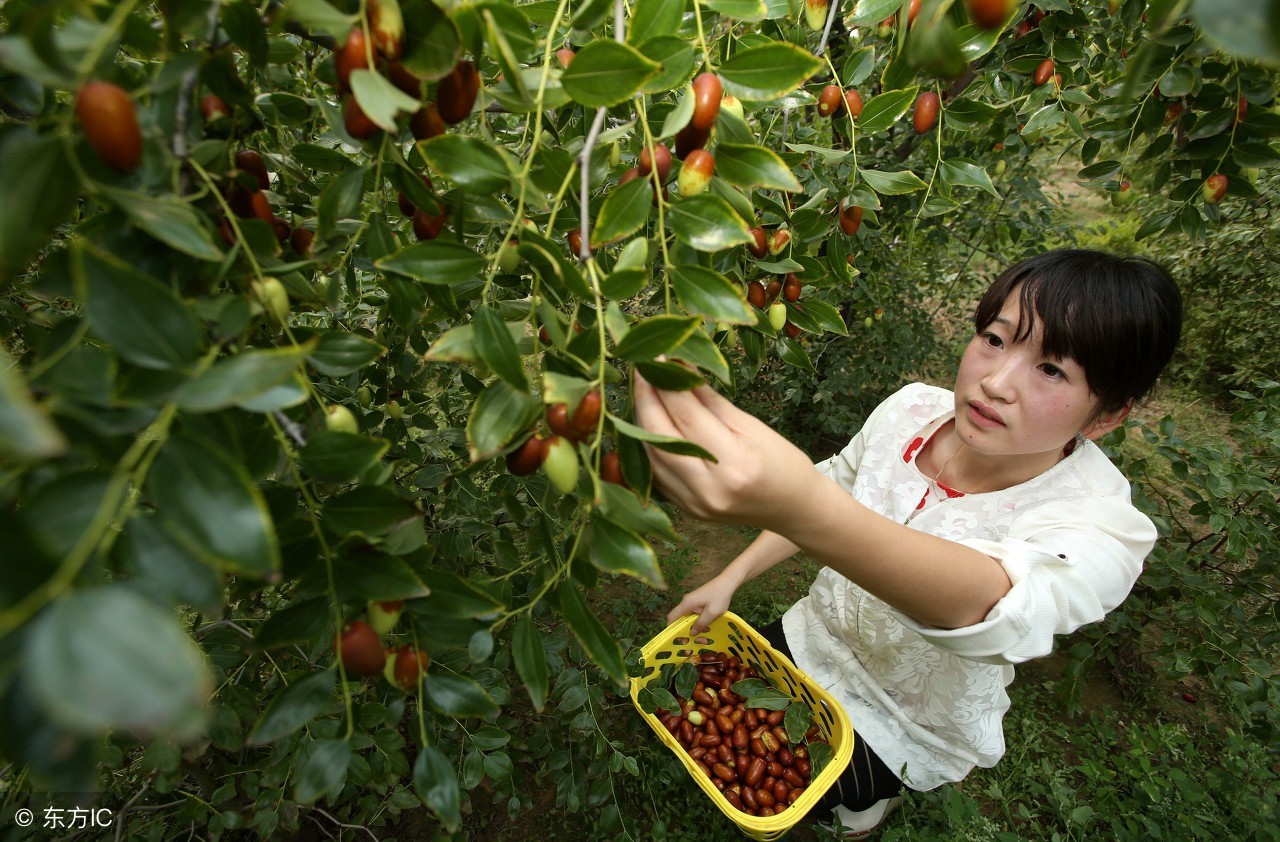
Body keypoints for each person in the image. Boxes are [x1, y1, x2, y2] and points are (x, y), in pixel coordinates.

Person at [633, 249, 1183, 838]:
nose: (995, 383)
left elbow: (1007, 609)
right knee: (734, 726)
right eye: (995, 339)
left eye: (1052, 370)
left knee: (822, 791)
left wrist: (802, 507)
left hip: (906, 718)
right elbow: (836, 479)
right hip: (814, 641)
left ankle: (864, 804)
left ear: (1105, 415)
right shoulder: (911, 409)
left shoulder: (1100, 523)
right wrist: (732, 576)